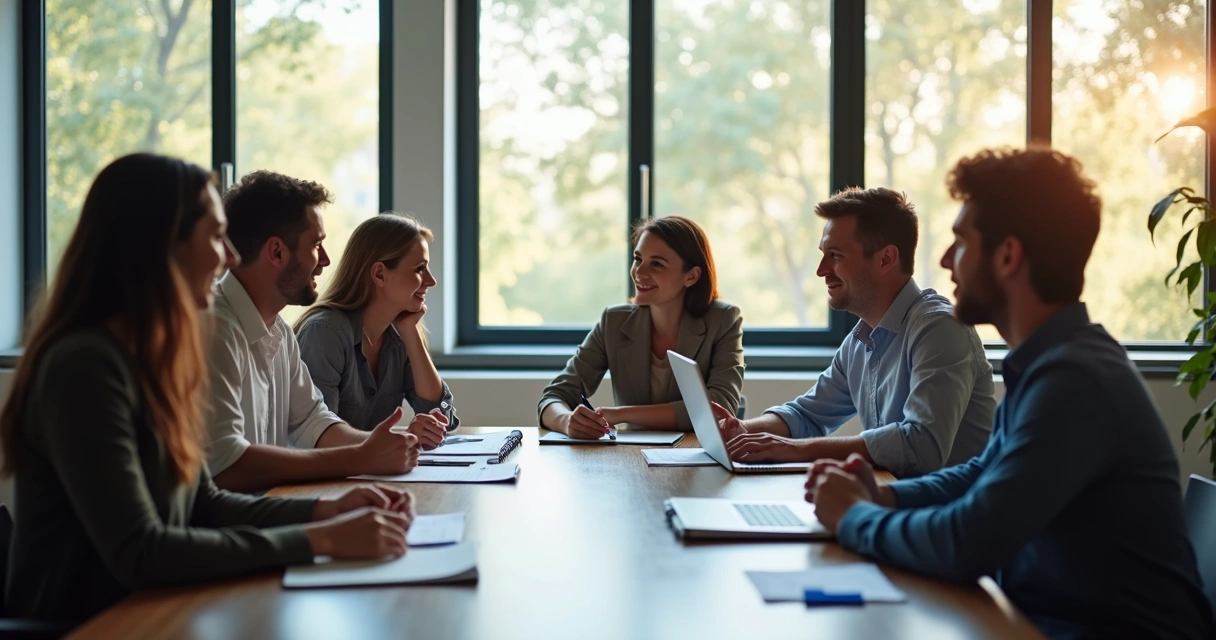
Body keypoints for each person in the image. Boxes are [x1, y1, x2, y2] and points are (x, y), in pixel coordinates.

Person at [807, 147, 1213, 639]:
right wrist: (884, 496)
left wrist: (855, 517)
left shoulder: (1077, 380)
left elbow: (968, 542)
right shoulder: (1051, 362)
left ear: (1007, 255)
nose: (942, 260)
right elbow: (981, 474)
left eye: (960, 242)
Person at [0, 154, 415, 623]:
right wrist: (323, 539)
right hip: (93, 625)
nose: (232, 257)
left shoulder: (151, 358)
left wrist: (329, 510)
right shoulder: (84, 367)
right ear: (163, 246)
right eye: (216, 237)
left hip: (158, 609)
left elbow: (204, 503)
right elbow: (142, 550)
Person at [713, 187, 994, 478]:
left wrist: (799, 449)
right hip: (892, 504)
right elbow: (805, 415)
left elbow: (921, 446)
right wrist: (741, 431)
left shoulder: (939, 328)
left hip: (947, 516)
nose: (822, 270)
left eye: (835, 255)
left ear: (885, 259)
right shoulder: (860, 341)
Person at [206, 171, 420, 493]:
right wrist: (360, 458)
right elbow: (226, 464)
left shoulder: (279, 330)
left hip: (267, 517)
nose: (325, 260)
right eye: (317, 245)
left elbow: (312, 422)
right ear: (277, 252)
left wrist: (378, 446)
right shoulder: (213, 329)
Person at [538, 215, 743, 437]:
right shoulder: (614, 322)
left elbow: (719, 409)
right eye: (638, 259)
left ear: (691, 276)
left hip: (697, 455)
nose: (639, 272)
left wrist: (622, 414)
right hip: (633, 455)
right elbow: (554, 396)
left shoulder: (723, 320)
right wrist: (566, 420)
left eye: (657, 264)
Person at [296, 212, 458, 449]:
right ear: (380, 274)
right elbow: (317, 436)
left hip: (367, 475)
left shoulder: (399, 332)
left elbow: (442, 417)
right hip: (323, 482)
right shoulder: (325, 333)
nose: (431, 281)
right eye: (419, 269)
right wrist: (403, 439)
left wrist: (410, 332)